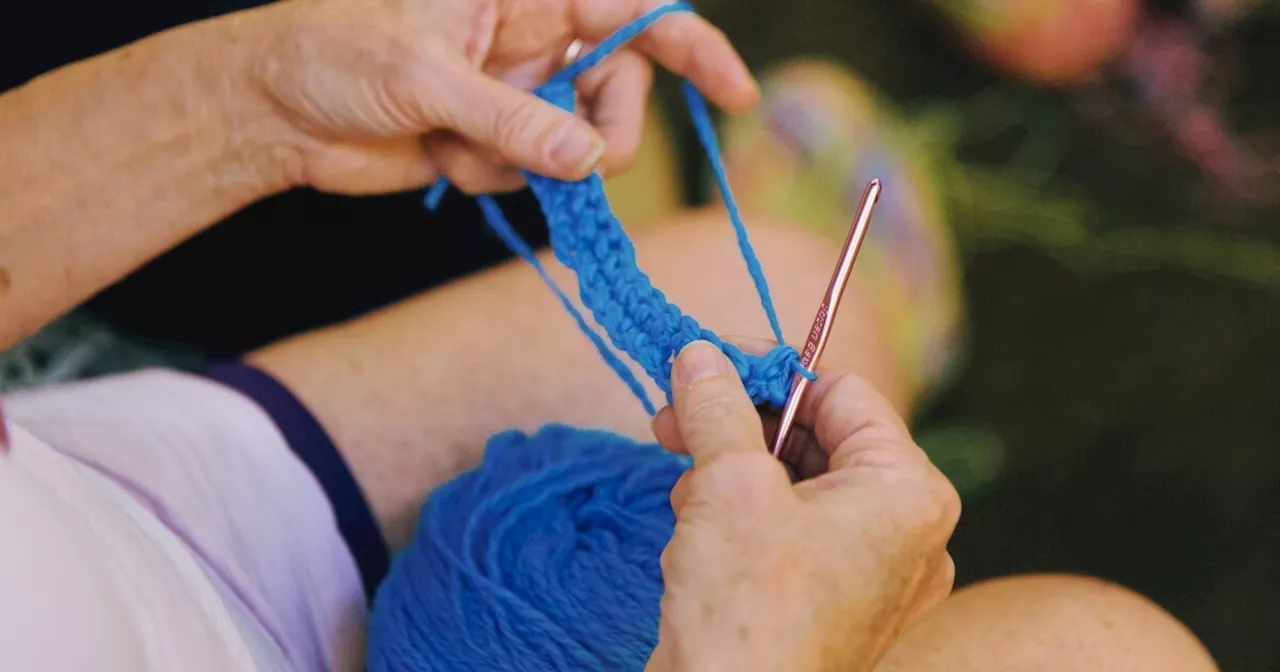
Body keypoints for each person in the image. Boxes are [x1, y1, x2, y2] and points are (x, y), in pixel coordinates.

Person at [0, 0, 1219, 670]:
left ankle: (855, 303)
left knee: (782, 299)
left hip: (134, 510)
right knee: (1110, 652)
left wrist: (251, 99)